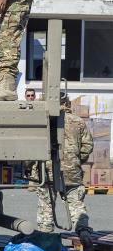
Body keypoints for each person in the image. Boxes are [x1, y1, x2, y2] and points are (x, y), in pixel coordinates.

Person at [32, 94, 93, 239]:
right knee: (76, 204)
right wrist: (76, 161)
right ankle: (84, 233)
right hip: (72, 170)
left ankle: (46, 240)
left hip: (47, 170)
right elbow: (87, 146)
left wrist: (31, 166)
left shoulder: (44, 120)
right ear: (67, 103)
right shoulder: (77, 121)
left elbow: (32, 146)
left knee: (46, 205)